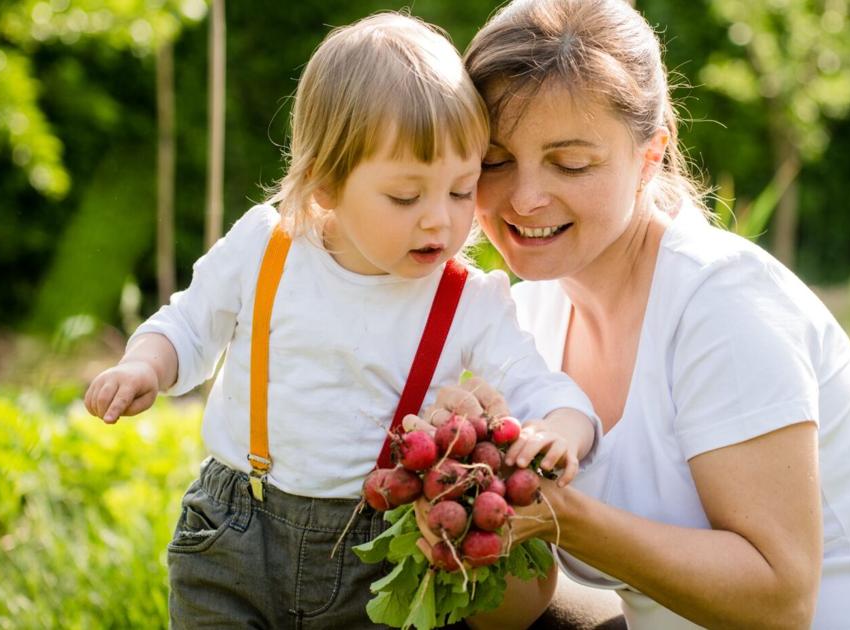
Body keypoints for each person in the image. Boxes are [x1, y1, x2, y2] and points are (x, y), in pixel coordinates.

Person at [81, 12, 598, 628]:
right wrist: (147, 363)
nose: (440, 220)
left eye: (461, 191)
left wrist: (561, 430)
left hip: (376, 550)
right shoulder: (267, 249)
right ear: (325, 185)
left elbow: (541, 385)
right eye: (406, 197)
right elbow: (191, 324)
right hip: (235, 529)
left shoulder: (465, 300)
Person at [428, 0, 850, 627]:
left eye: (571, 162)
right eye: (496, 161)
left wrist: (566, 516)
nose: (525, 197)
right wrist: (467, 499)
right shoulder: (526, 315)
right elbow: (518, 614)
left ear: (649, 155)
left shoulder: (724, 305)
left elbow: (781, 603)